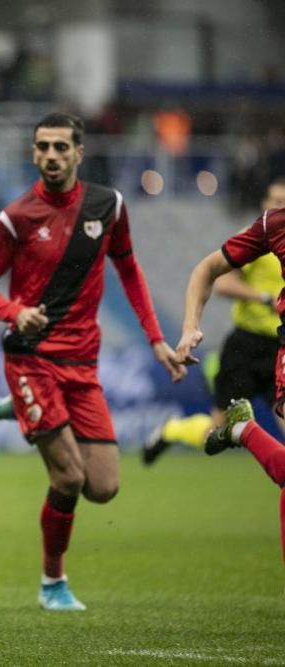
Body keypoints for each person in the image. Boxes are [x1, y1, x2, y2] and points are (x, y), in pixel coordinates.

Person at [0, 112, 185, 611]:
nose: (50, 156)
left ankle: (18, 410)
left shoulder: (108, 206)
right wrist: (14, 312)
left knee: (103, 488)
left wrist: (155, 339)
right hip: (31, 359)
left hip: (82, 364)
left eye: (61, 147)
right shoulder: (17, 216)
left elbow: (129, 269)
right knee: (68, 478)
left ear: (79, 153)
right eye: (42, 146)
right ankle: (52, 582)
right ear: (33, 152)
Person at [143, 179, 285, 464]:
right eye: (274, 200)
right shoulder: (268, 232)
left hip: (277, 344)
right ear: (265, 204)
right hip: (248, 345)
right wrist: (262, 297)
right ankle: (174, 429)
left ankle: (242, 430)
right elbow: (220, 282)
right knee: (216, 428)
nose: (278, 205)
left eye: (282, 200)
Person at [177, 198, 285, 567]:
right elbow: (208, 272)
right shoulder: (273, 226)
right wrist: (190, 326)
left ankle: (243, 430)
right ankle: (185, 431)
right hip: (254, 345)